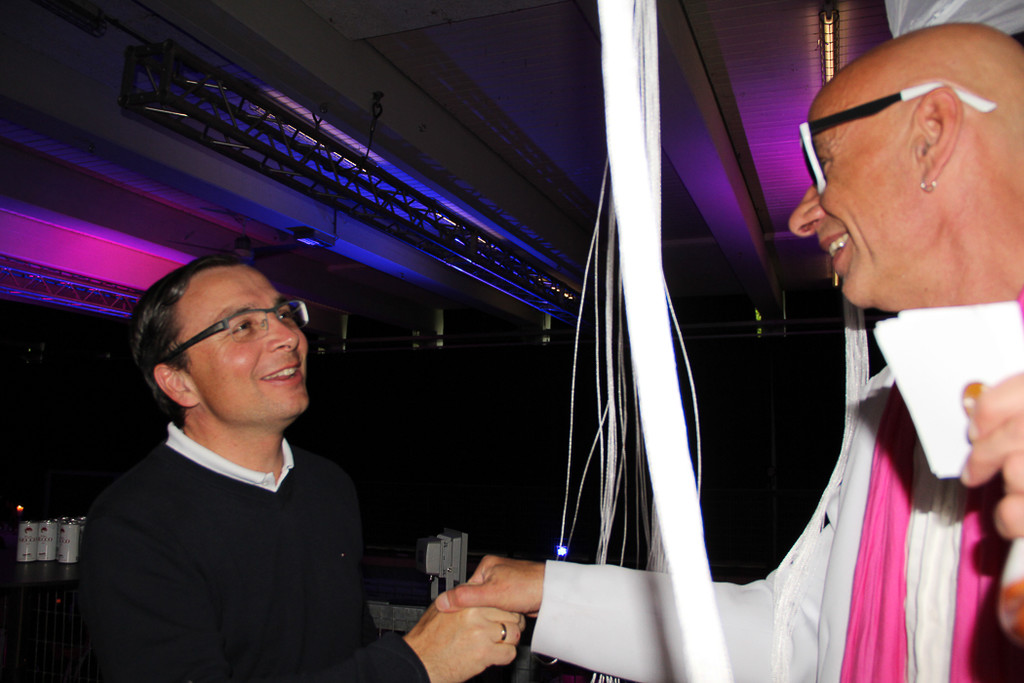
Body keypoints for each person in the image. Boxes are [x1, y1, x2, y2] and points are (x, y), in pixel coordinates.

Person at [436, 23, 1024, 682]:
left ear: (932, 135)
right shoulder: (893, 406)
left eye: (826, 164)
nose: (803, 215)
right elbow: (789, 639)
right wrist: (548, 589)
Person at [79, 253, 525, 683]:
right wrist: (417, 664)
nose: (287, 336)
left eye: (283, 314)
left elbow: (350, 647)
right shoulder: (133, 525)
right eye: (243, 326)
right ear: (179, 382)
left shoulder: (327, 484)